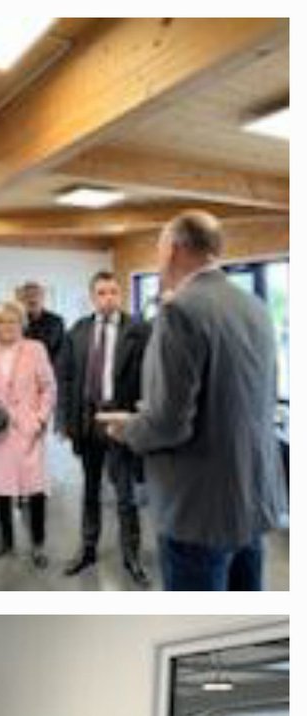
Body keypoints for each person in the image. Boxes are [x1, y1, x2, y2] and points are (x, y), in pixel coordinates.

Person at [98, 211, 287, 590]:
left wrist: (128, 427)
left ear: (173, 249)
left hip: (198, 508)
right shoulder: (255, 307)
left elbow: (169, 423)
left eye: (159, 249)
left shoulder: (180, 311)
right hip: (250, 497)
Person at [58, 271, 152, 587]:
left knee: (125, 494)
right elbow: (67, 379)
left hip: (120, 421)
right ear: (92, 296)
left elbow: (148, 379)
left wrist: (141, 419)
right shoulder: (78, 331)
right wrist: (67, 423)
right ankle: (87, 549)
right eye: (101, 292)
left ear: (120, 294)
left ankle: (131, 556)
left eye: (113, 291)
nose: (108, 297)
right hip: (87, 421)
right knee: (90, 490)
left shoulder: (139, 329)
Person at [0, 300, 57, 568]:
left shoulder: (35, 349)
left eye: (13, 322)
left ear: (22, 324)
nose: (8, 327)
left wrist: (40, 420)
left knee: (35, 488)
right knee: (2, 487)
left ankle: (38, 543)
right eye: (1, 323)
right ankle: (6, 540)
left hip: (28, 429)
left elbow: (49, 388)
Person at [17, 281, 65, 366]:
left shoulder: (56, 321)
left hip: (48, 370)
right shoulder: (16, 321)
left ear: (43, 297)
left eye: (36, 295)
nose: (32, 299)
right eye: (27, 296)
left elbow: (61, 352)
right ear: (21, 300)